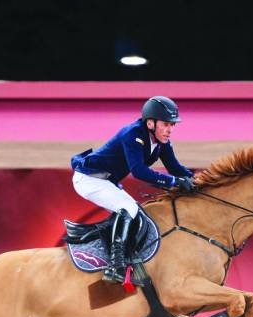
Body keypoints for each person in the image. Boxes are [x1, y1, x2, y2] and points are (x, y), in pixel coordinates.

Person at [71, 95, 195, 283]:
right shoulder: (133, 134)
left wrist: (200, 181)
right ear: (151, 123)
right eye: (166, 124)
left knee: (137, 214)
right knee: (129, 209)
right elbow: (139, 172)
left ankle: (126, 259)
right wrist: (174, 182)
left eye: (172, 125)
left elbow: (175, 168)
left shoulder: (161, 143)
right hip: (88, 179)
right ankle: (115, 267)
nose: (170, 130)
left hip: (106, 181)